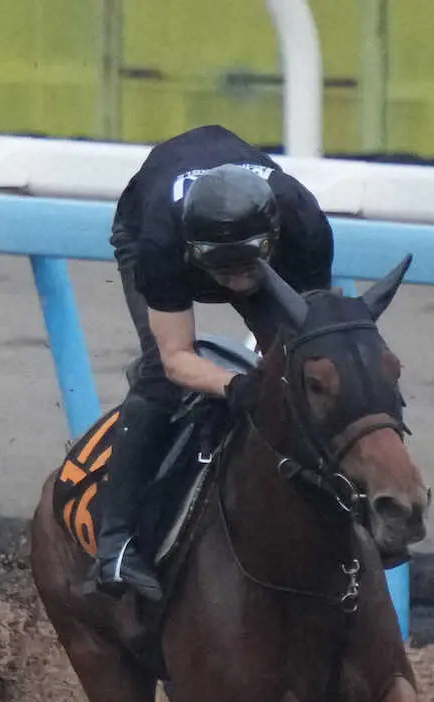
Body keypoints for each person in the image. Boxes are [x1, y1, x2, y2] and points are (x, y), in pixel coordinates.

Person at [94, 124, 335, 601]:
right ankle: (115, 543)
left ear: (274, 238)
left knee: (311, 370)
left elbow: (320, 342)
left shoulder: (303, 221)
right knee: (161, 380)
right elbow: (176, 358)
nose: (234, 283)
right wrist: (235, 387)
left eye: (245, 266)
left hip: (245, 241)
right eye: (221, 268)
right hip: (149, 225)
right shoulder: (161, 241)